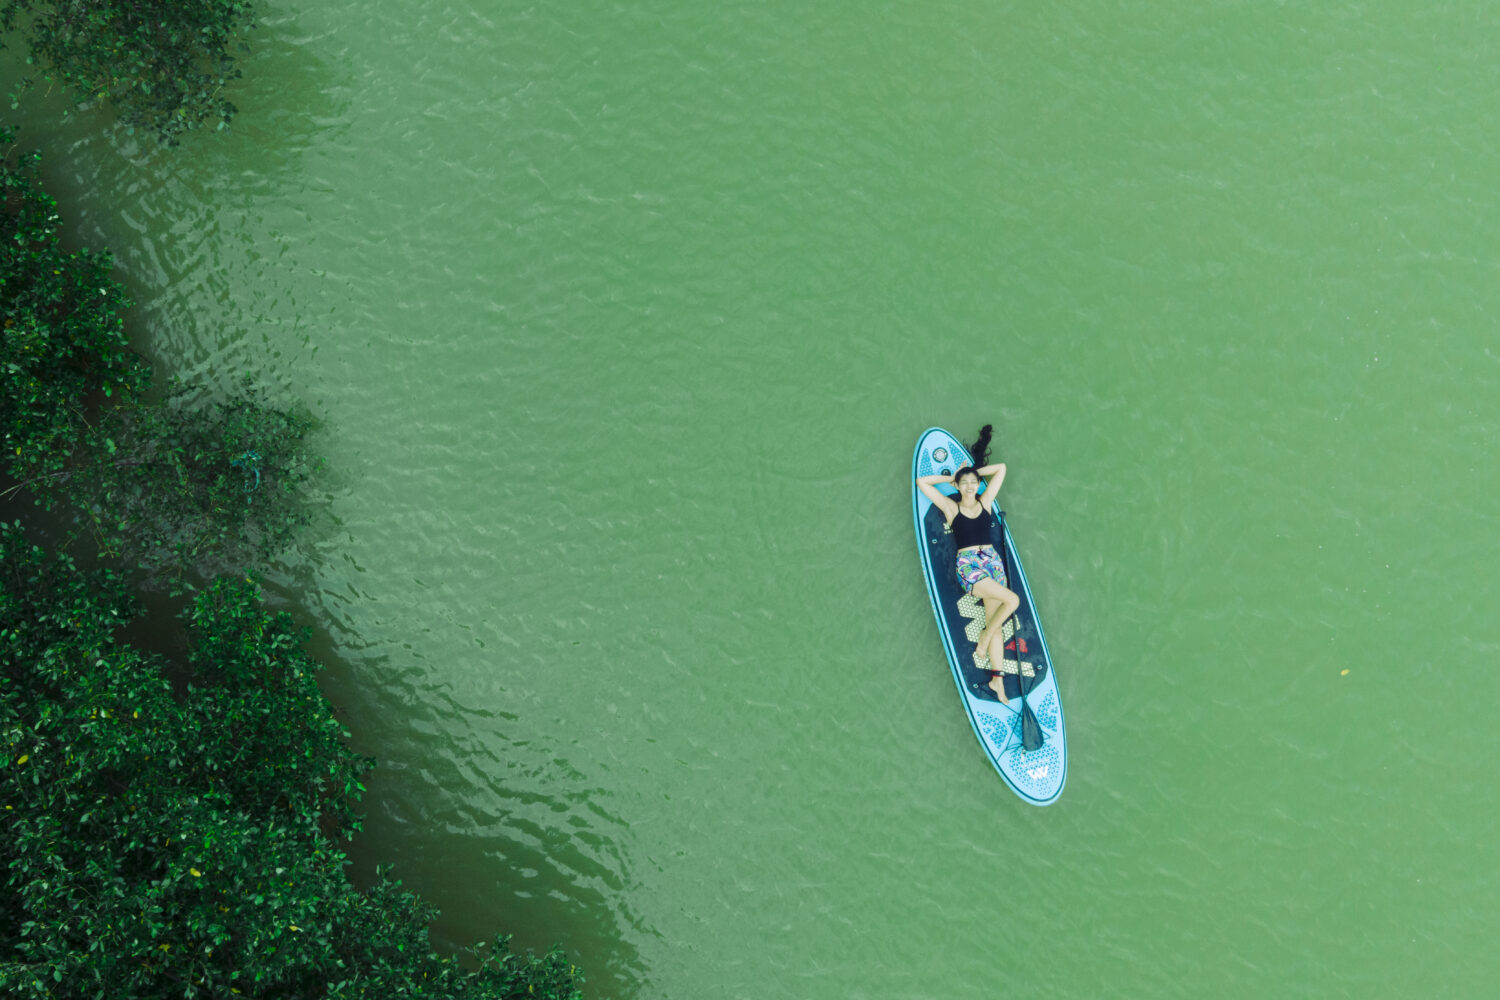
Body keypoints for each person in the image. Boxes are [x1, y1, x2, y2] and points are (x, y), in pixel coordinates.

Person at [916, 425, 1020, 702]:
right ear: (957, 487)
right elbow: (922, 483)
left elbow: (1000, 469)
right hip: (970, 566)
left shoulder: (986, 502)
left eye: (973, 482)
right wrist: (953, 477)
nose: (970, 486)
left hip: (993, 564)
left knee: (995, 620)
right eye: (965, 484)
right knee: (1012, 601)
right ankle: (984, 638)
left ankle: (997, 680)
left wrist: (972, 472)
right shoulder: (952, 508)